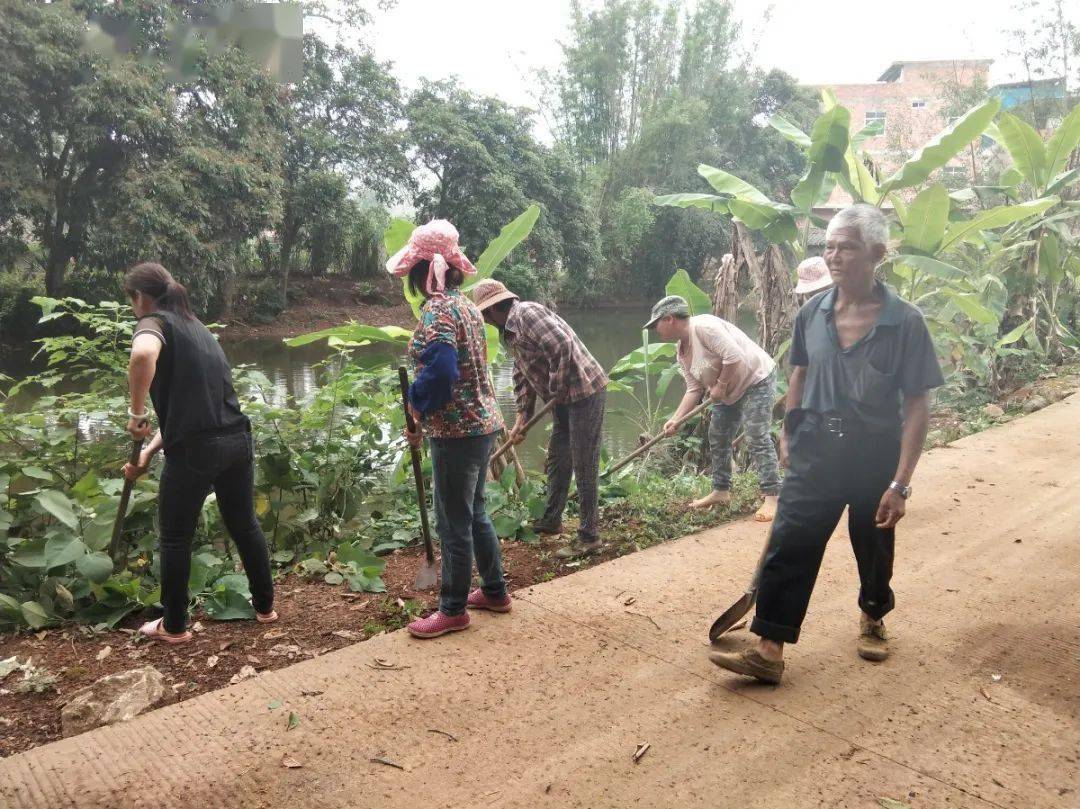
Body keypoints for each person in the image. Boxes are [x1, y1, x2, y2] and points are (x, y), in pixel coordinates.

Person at [710, 204, 944, 685]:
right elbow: (799, 372)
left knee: (872, 545)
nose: (834, 256)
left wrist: (900, 483)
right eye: (829, 246)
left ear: (877, 254)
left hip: (873, 453)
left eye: (847, 247)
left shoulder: (905, 322)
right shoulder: (811, 313)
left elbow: (918, 406)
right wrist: (789, 430)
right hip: (815, 448)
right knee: (790, 540)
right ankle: (769, 649)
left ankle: (873, 614)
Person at [122, 263, 276, 644]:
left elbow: (142, 357)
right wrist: (148, 454)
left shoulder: (153, 323)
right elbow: (190, 413)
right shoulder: (200, 330)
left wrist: (136, 413)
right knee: (244, 525)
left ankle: (173, 626)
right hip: (236, 440)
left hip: (195, 449)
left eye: (131, 301)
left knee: (175, 538)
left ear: (140, 297)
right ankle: (266, 608)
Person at [388, 220, 511, 639]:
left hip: (457, 433)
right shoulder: (467, 307)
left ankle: (453, 608)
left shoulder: (440, 311)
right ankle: (494, 590)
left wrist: (416, 406)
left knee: (453, 520)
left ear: (425, 271)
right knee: (474, 510)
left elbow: (440, 372)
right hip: (482, 424)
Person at [471, 279, 608, 559]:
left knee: (584, 462)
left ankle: (589, 535)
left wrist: (556, 391)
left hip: (583, 392)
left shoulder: (527, 314)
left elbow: (562, 347)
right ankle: (551, 519)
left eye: (484, 315)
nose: (485, 320)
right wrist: (522, 416)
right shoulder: (508, 332)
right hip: (564, 400)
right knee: (559, 458)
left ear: (492, 310)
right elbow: (523, 374)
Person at [646, 296, 781, 522]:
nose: (654, 330)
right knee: (717, 435)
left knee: (756, 434)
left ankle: (772, 496)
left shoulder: (704, 327)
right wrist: (676, 419)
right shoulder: (681, 351)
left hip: (756, 380)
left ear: (669, 319)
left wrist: (721, 385)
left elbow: (734, 355)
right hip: (728, 391)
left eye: (655, 324)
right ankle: (721, 490)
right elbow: (694, 389)